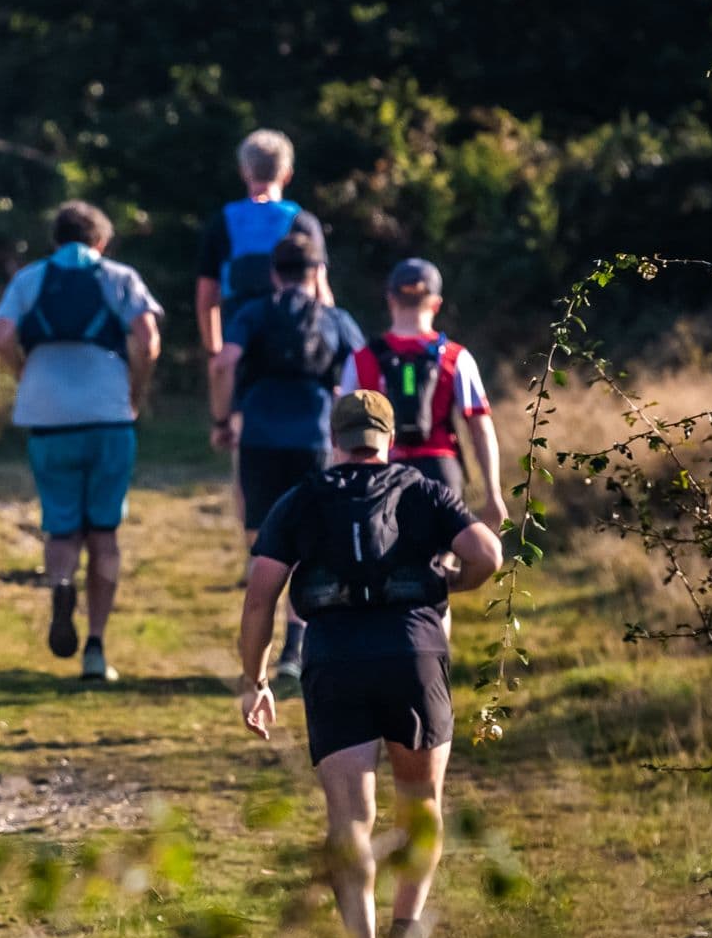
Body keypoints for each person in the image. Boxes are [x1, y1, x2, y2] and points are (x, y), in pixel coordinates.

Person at [237, 390, 504, 938]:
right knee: (421, 806)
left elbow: (261, 595)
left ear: (336, 439)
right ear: (388, 438)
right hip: (414, 655)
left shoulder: (303, 499)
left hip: (333, 660)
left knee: (351, 818)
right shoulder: (422, 489)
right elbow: (487, 552)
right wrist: (454, 585)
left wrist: (254, 681)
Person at [0, 201, 164, 684]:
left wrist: (25, 373)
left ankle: (61, 586)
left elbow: (1, 334)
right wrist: (136, 388)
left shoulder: (30, 279)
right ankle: (96, 647)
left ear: (56, 240)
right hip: (108, 414)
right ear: (100, 241)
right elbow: (147, 337)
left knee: (61, 527)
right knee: (104, 534)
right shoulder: (118, 277)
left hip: (47, 416)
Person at [209, 231, 365, 680]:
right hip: (316, 441)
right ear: (317, 272)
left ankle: (257, 640)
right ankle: (294, 650)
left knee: (262, 541)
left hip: (259, 438)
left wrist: (223, 417)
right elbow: (363, 370)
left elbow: (223, 362)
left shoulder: (253, 313)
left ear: (274, 274)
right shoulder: (334, 318)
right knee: (308, 542)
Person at [348, 257, 508, 530]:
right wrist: (493, 494)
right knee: (443, 562)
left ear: (391, 299)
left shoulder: (361, 358)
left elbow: (341, 426)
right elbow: (480, 428)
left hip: (381, 473)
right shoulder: (457, 357)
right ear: (436, 303)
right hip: (441, 471)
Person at [193, 127, 333, 357]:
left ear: (243, 172)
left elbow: (206, 296)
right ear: (287, 174)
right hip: (295, 341)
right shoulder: (303, 223)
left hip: (240, 339)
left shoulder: (222, 222)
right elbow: (321, 292)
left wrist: (216, 351)